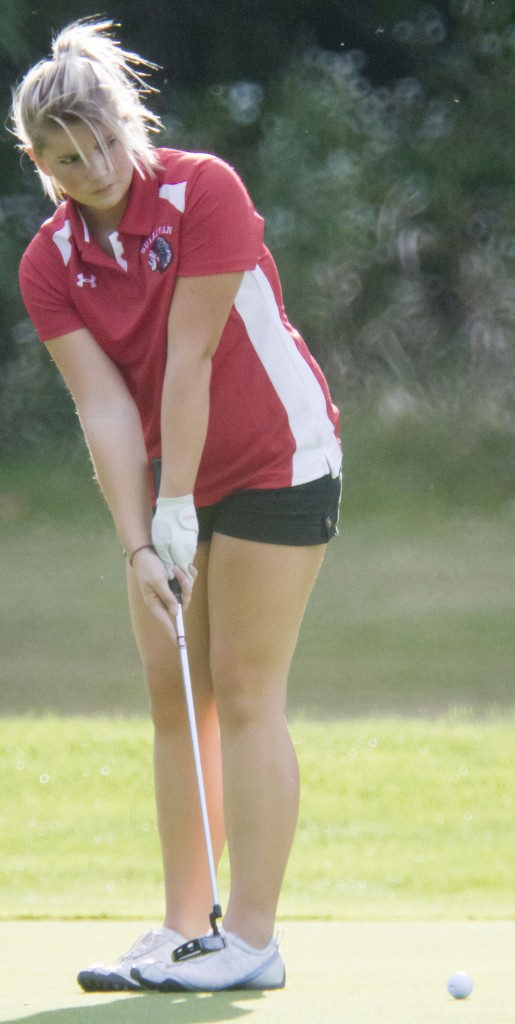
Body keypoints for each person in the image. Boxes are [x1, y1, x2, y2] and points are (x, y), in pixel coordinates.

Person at [11, 18, 342, 993]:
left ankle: (250, 939)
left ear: (130, 120)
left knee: (241, 685)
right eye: (67, 158)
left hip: (279, 453)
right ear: (39, 161)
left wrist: (180, 506)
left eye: (105, 141)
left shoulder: (204, 191)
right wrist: (136, 545)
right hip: (172, 476)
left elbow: (191, 358)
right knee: (172, 694)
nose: (95, 167)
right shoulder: (50, 261)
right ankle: (180, 926)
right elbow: (106, 407)